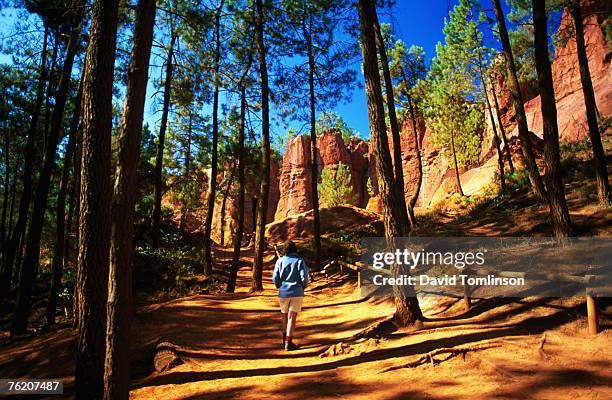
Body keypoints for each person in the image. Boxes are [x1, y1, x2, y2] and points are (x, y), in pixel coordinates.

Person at [272, 240, 309, 351]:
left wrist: (279, 286)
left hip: (283, 293)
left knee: (284, 316)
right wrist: (303, 286)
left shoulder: (280, 261)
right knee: (292, 317)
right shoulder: (300, 261)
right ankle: (289, 342)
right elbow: (304, 277)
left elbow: (275, 278)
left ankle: (284, 341)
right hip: (297, 292)